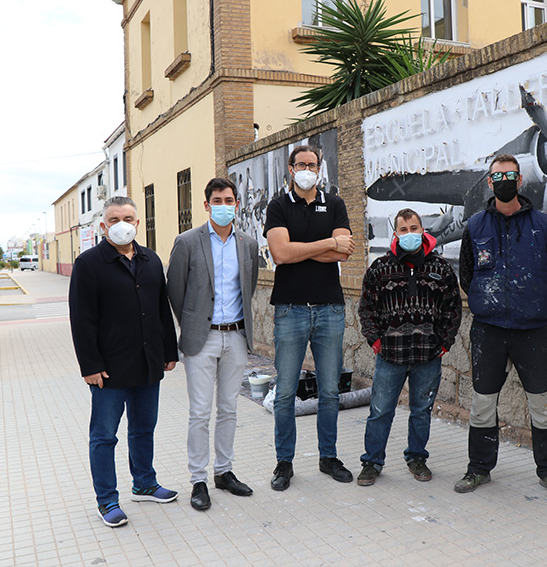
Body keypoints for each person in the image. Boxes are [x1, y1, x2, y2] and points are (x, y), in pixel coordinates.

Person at [456, 153, 547, 497]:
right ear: (489, 183)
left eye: (510, 175)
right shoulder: (475, 225)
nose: (504, 181)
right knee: (482, 403)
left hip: (532, 330)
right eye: (497, 176)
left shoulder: (544, 224)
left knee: (543, 403)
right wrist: (488, 301)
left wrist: (532, 301)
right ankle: (479, 468)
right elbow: (467, 274)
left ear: (520, 180)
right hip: (488, 329)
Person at [69, 196, 179, 528]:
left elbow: (162, 309)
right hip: (109, 370)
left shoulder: (150, 260)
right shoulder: (88, 264)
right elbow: (82, 319)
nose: (121, 224)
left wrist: (169, 352)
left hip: (148, 363)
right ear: (103, 226)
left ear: (137, 223)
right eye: (114, 219)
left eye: (128, 218)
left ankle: (144, 483)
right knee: (104, 436)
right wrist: (89, 366)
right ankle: (107, 501)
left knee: (144, 428)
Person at [263, 144, 355, 491]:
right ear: (290, 169)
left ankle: (327, 457)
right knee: (285, 392)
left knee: (330, 391)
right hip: (290, 309)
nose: (306, 168)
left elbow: (344, 249)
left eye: (312, 164)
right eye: (300, 164)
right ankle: (284, 463)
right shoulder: (277, 206)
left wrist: (304, 248)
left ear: (320, 168)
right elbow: (281, 254)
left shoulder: (335, 203)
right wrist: (324, 245)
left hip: (329, 308)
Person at [167, 178, 259, 512]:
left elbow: (247, 288)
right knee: (200, 412)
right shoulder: (187, 242)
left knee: (230, 408)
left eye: (229, 200)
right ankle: (198, 479)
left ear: (237, 204)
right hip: (201, 339)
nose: (224, 205)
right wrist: (192, 322)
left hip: (235, 335)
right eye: (217, 200)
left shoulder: (248, 245)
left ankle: (224, 472)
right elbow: (175, 289)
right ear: (206, 205)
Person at [356, 208, 462, 486]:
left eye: (414, 228)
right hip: (390, 356)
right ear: (396, 234)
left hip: (428, 357)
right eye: (404, 230)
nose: (410, 234)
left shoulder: (441, 268)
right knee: (380, 411)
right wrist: (376, 341)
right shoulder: (380, 269)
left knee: (421, 411)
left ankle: (417, 458)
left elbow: (453, 308)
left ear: (423, 230)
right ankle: (372, 462)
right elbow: (366, 308)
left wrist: (444, 343)